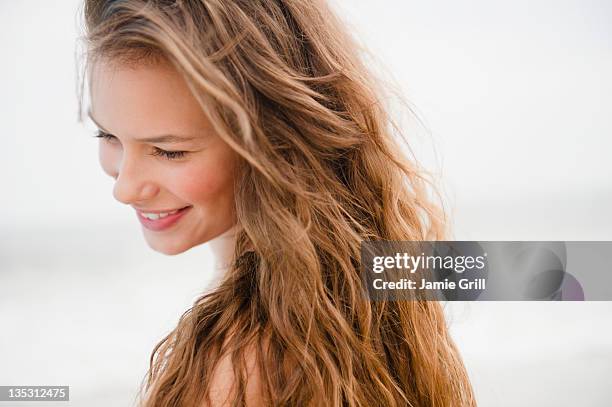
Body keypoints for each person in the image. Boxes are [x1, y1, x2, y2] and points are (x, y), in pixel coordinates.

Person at [80, 0, 476, 405]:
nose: (124, 188)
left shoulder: (238, 369)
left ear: (274, 142)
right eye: (107, 136)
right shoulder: (375, 280)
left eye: (168, 151)